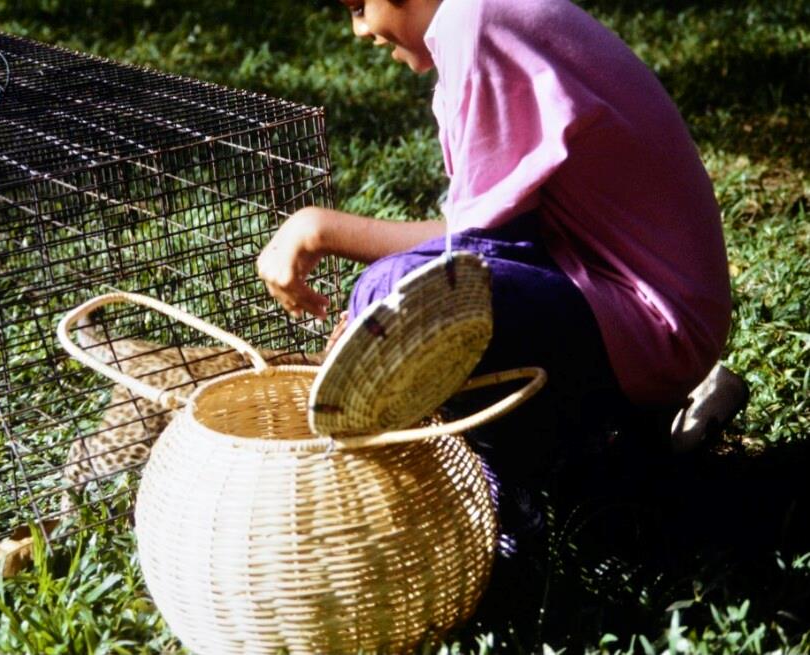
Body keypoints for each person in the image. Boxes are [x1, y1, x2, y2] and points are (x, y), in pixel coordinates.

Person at [256, 0, 746, 484]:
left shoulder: (473, 23)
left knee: (392, 291)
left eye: (360, 6)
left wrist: (344, 257)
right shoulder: (477, 18)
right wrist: (324, 234)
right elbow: (484, 236)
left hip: (655, 329)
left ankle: (519, 495)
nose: (360, 29)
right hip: (636, 307)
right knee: (394, 293)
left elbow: (476, 257)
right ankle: (617, 442)